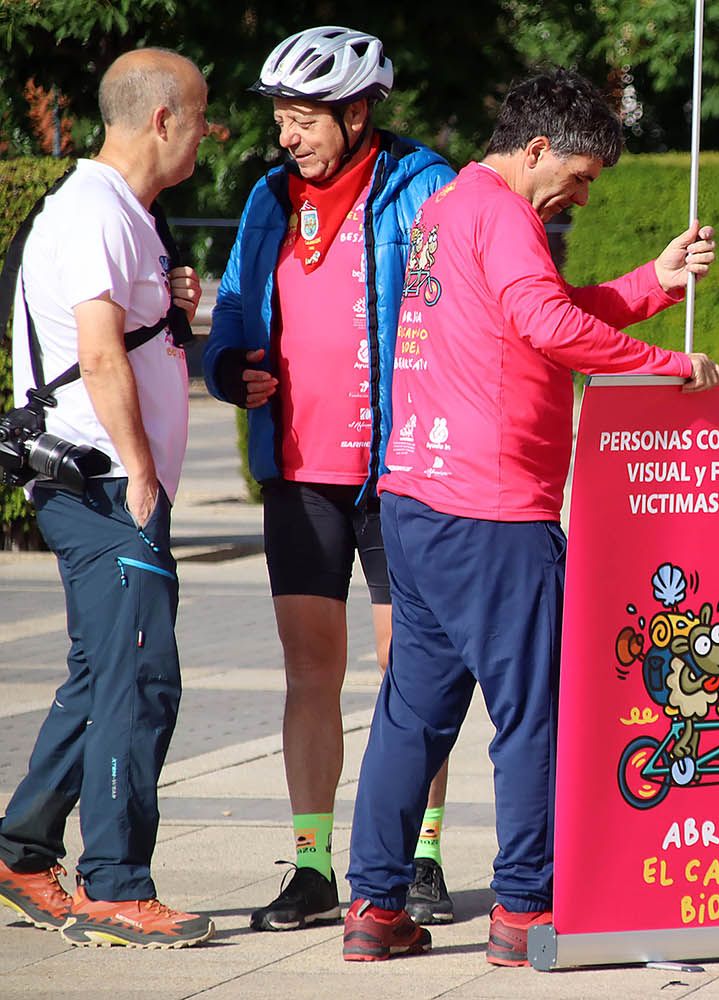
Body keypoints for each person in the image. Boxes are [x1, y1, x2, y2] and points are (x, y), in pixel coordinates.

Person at [340, 68, 719, 965]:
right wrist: (666, 363)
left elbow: (535, 314)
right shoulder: (507, 215)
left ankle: (373, 906)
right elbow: (548, 326)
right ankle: (523, 909)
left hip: (416, 502)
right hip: (495, 513)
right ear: (540, 147)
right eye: (581, 177)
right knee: (534, 714)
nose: (579, 195)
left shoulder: (450, 206)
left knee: (412, 715)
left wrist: (650, 282)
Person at [201, 26, 457, 931]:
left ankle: (418, 852)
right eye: (280, 116)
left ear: (356, 113)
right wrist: (230, 367)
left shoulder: (423, 185)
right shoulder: (269, 196)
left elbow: (463, 301)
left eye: (303, 117)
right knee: (311, 669)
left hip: (400, 471)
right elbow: (235, 302)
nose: (286, 135)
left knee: (410, 669)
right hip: (300, 473)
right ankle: (311, 864)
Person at [0, 49, 214, 948]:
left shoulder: (124, 213)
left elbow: (119, 332)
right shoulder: (95, 211)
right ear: (162, 119)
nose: (211, 135)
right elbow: (93, 355)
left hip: (106, 481)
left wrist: (168, 310)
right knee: (140, 680)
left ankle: (20, 851)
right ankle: (116, 885)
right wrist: (143, 472)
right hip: (102, 483)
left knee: (102, 675)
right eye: (203, 116)